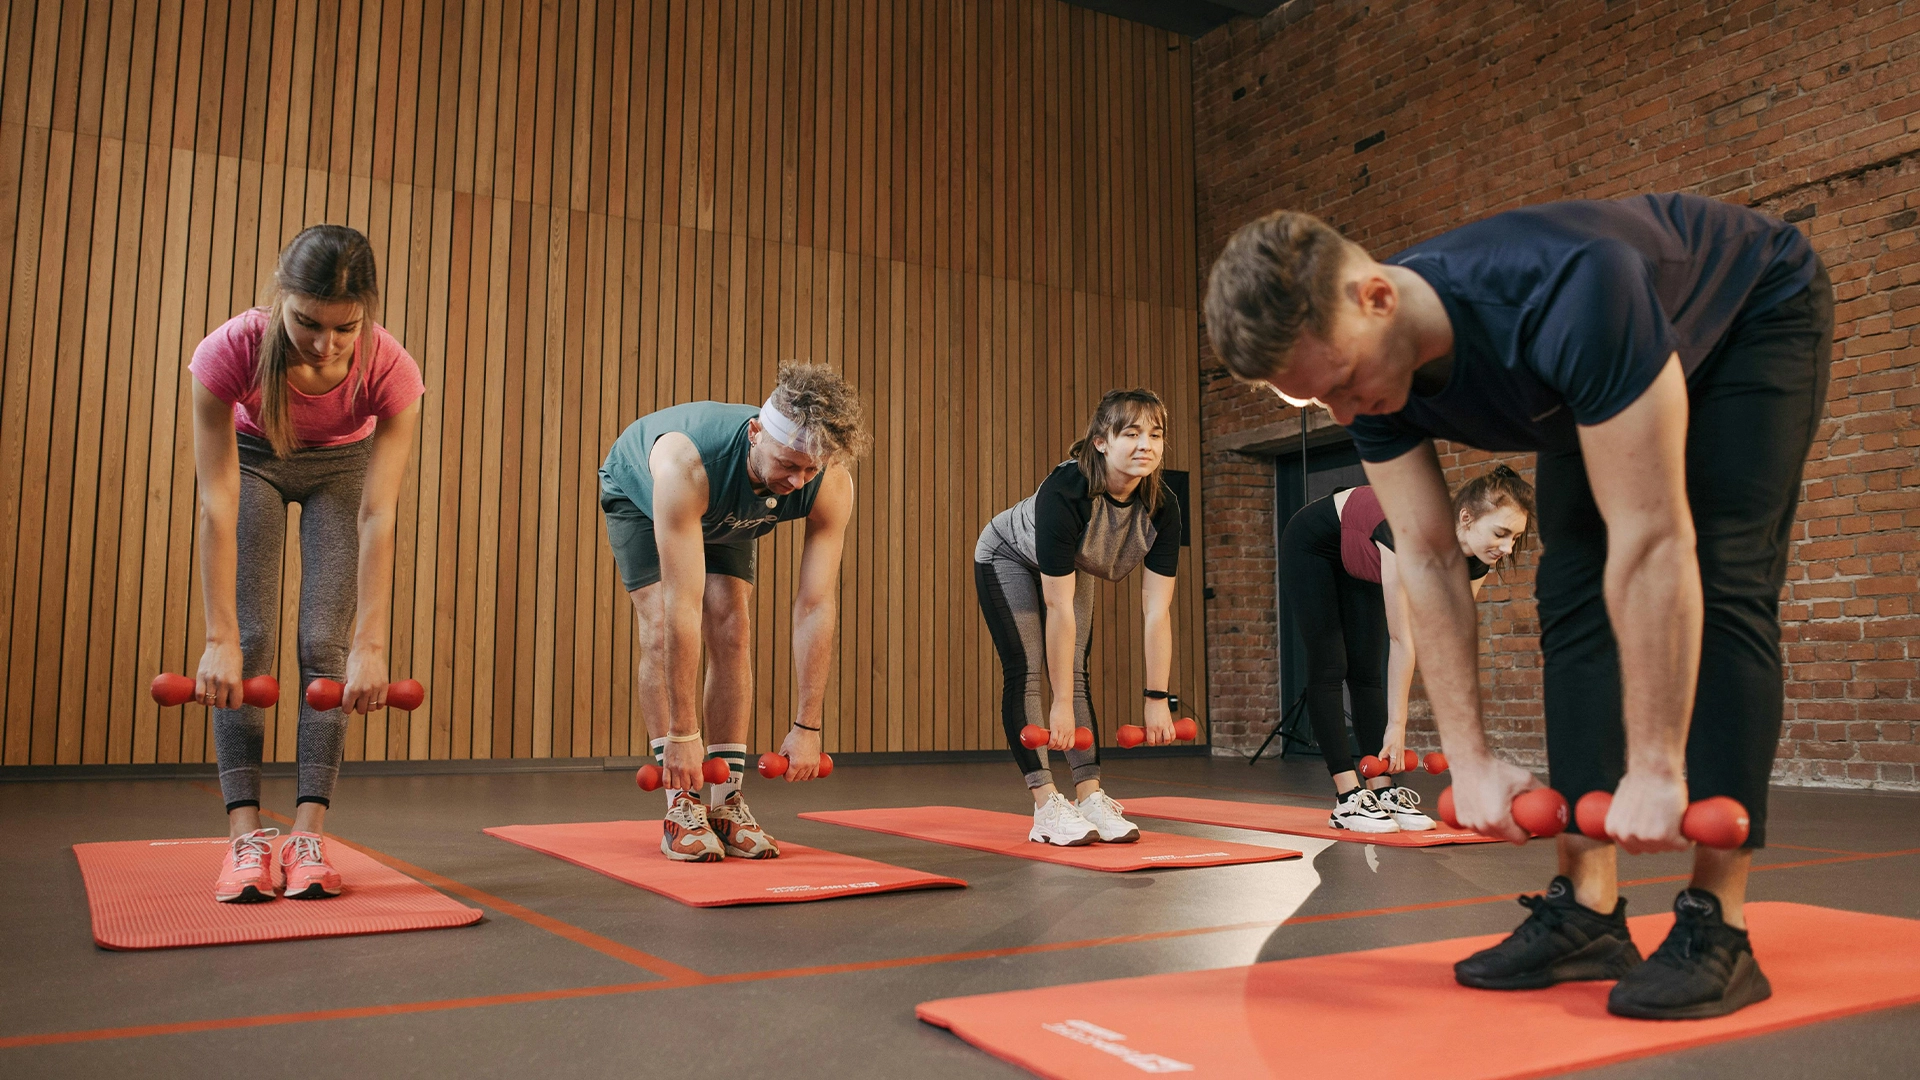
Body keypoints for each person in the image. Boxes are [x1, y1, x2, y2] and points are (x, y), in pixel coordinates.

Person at [1205, 193, 1827, 1019]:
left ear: (1379, 298)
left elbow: (1651, 540)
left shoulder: (1567, 294)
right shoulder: (1368, 372)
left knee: (1724, 570)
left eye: (1349, 384)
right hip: (1609, 359)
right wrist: (1469, 759)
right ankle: (1588, 909)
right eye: (1325, 404)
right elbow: (1427, 556)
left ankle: (1718, 925)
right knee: (1568, 586)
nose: (1350, 413)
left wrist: (1654, 766)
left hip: (1752, 309)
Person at [190, 224, 425, 902]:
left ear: (367, 313)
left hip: (341, 471)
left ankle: (307, 833)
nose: (325, 346)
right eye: (306, 323)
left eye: (345, 328)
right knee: (250, 643)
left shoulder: (390, 368)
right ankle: (245, 837)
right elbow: (217, 506)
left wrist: (371, 646)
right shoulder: (228, 351)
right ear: (280, 298)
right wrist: (218, 639)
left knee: (326, 644)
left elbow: (378, 513)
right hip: (253, 458)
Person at [599, 364, 865, 862]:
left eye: (810, 469)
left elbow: (815, 604)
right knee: (658, 622)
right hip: (645, 492)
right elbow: (682, 606)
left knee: (733, 624)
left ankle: (724, 800)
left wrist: (808, 727)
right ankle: (681, 799)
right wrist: (683, 734)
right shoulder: (686, 465)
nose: (797, 481)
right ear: (757, 432)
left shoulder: (828, 483)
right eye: (788, 464)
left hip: (730, 507)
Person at [975, 389, 1185, 846]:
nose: (1145, 444)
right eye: (1130, 433)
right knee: (1031, 670)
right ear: (1101, 442)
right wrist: (1060, 707)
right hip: (1008, 555)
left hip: (1071, 562)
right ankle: (1046, 804)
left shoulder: (1163, 507)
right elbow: (1057, 607)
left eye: (1155, 434)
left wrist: (1156, 698)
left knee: (1074, 673)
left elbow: (1156, 610)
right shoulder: (1065, 493)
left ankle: (1090, 796)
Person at [1280, 468, 1533, 833]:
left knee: (1366, 670)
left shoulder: (1478, 557)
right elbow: (1403, 640)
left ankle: (1381, 789)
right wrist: (1396, 727)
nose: (1508, 548)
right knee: (1331, 663)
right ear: (1466, 518)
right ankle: (1348, 798)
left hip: (1363, 556)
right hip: (1314, 544)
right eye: (1501, 533)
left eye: (1516, 537)